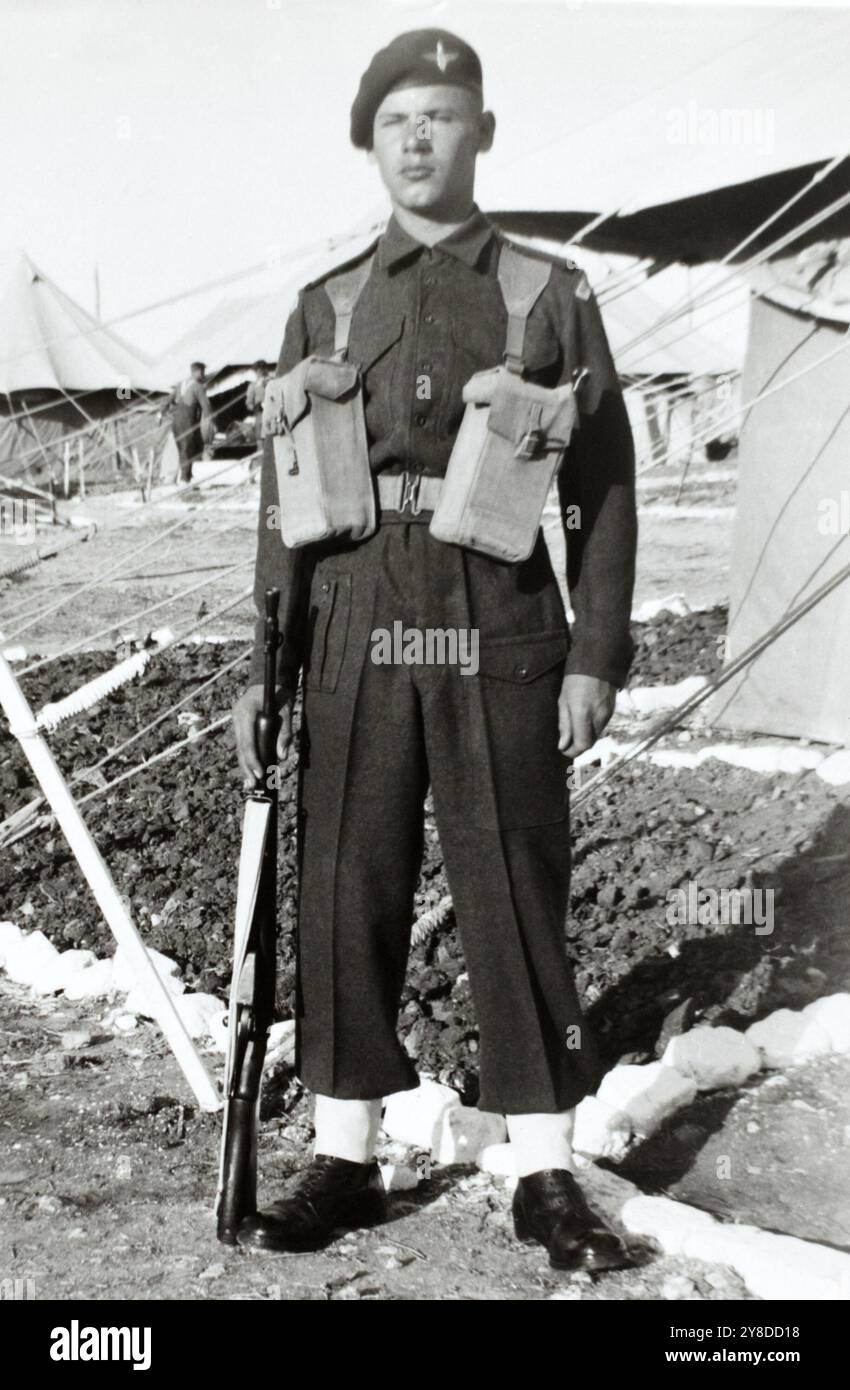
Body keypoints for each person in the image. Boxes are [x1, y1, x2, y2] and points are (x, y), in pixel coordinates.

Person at [232, 27, 639, 1272]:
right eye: (396, 119)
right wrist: (270, 664)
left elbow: (605, 489)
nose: (418, 138)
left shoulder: (548, 293)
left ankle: (544, 1168)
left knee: (514, 887)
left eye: (442, 115)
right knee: (346, 882)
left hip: (501, 618)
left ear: (483, 133)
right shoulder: (329, 301)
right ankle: (346, 1156)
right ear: (371, 143)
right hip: (353, 616)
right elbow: (283, 493)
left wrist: (594, 655)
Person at [158, 360, 214, 484]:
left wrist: (160, 413)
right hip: (188, 421)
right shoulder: (197, 387)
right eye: (203, 372)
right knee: (188, 449)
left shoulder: (179, 385)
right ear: (198, 372)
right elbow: (206, 406)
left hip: (176, 422)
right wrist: (211, 421)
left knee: (182, 448)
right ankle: (184, 478)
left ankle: (186, 475)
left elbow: (168, 401)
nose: (204, 375)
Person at [245, 360, 270, 446]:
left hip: (273, 413)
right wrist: (256, 406)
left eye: (263, 369)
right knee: (260, 440)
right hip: (260, 415)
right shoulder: (253, 386)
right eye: (259, 370)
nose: (262, 372)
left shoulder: (273, 381)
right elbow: (249, 404)